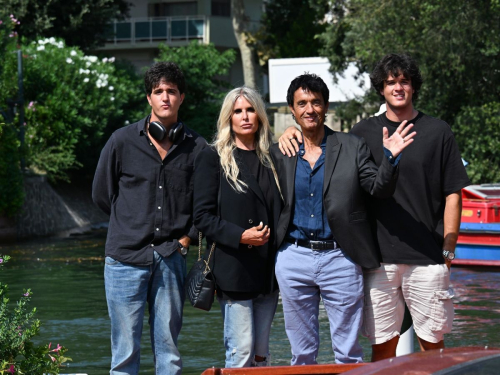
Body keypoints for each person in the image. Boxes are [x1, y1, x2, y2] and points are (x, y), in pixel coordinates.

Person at [279, 54, 470, 361]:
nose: (397, 87)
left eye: (404, 81)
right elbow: (324, 147)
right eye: (390, 82)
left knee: (433, 345)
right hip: (377, 260)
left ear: (413, 87)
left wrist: (449, 249)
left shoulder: (438, 131)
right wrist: (290, 133)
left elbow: (453, 193)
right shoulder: (361, 134)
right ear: (381, 89)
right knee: (381, 348)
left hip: (428, 256)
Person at [269, 73, 415, 365]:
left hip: (341, 257)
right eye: (302, 103)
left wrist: (391, 159)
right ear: (292, 110)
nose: (310, 109)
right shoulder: (281, 151)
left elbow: (378, 189)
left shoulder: (352, 146)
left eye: (316, 102)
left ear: (325, 106)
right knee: (301, 354)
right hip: (293, 258)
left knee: (348, 354)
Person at [92, 61, 206, 374]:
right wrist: (128, 225)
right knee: (125, 352)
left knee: (169, 353)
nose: (165, 97)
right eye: (158, 92)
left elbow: (206, 206)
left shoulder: (198, 148)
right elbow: (101, 195)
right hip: (124, 257)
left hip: (171, 258)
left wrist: (185, 240)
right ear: (149, 98)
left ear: (182, 97)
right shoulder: (121, 141)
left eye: (171, 91)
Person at [193, 87, 282, 368]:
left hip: (270, 272)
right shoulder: (213, 157)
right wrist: (240, 236)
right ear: (228, 117)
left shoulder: (275, 156)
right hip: (235, 270)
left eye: (250, 109)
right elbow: (202, 217)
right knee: (240, 354)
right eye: (238, 111)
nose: (245, 116)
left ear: (260, 115)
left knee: (261, 356)